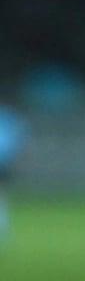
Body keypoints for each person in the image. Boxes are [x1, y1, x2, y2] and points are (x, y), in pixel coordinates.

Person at [0, 103, 27, 242]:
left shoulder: (8, 116)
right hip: (4, 161)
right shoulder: (9, 117)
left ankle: (3, 227)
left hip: (3, 162)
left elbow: (17, 138)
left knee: (2, 195)